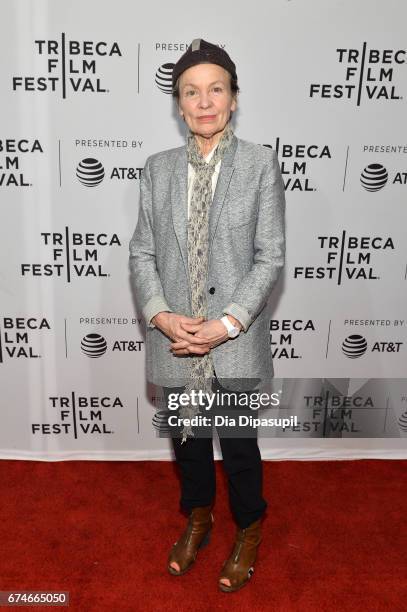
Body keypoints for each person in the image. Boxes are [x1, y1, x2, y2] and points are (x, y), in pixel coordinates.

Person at [129, 38, 286, 593]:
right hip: (174, 337)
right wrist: (161, 315)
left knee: (239, 444)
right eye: (190, 92)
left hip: (233, 338)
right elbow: (143, 251)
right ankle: (198, 518)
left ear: (234, 98)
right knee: (189, 441)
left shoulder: (261, 164)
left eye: (215, 89)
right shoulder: (158, 168)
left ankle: (248, 528)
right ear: (177, 105)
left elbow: (270, 255)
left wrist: (226, 324)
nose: (204, 102)